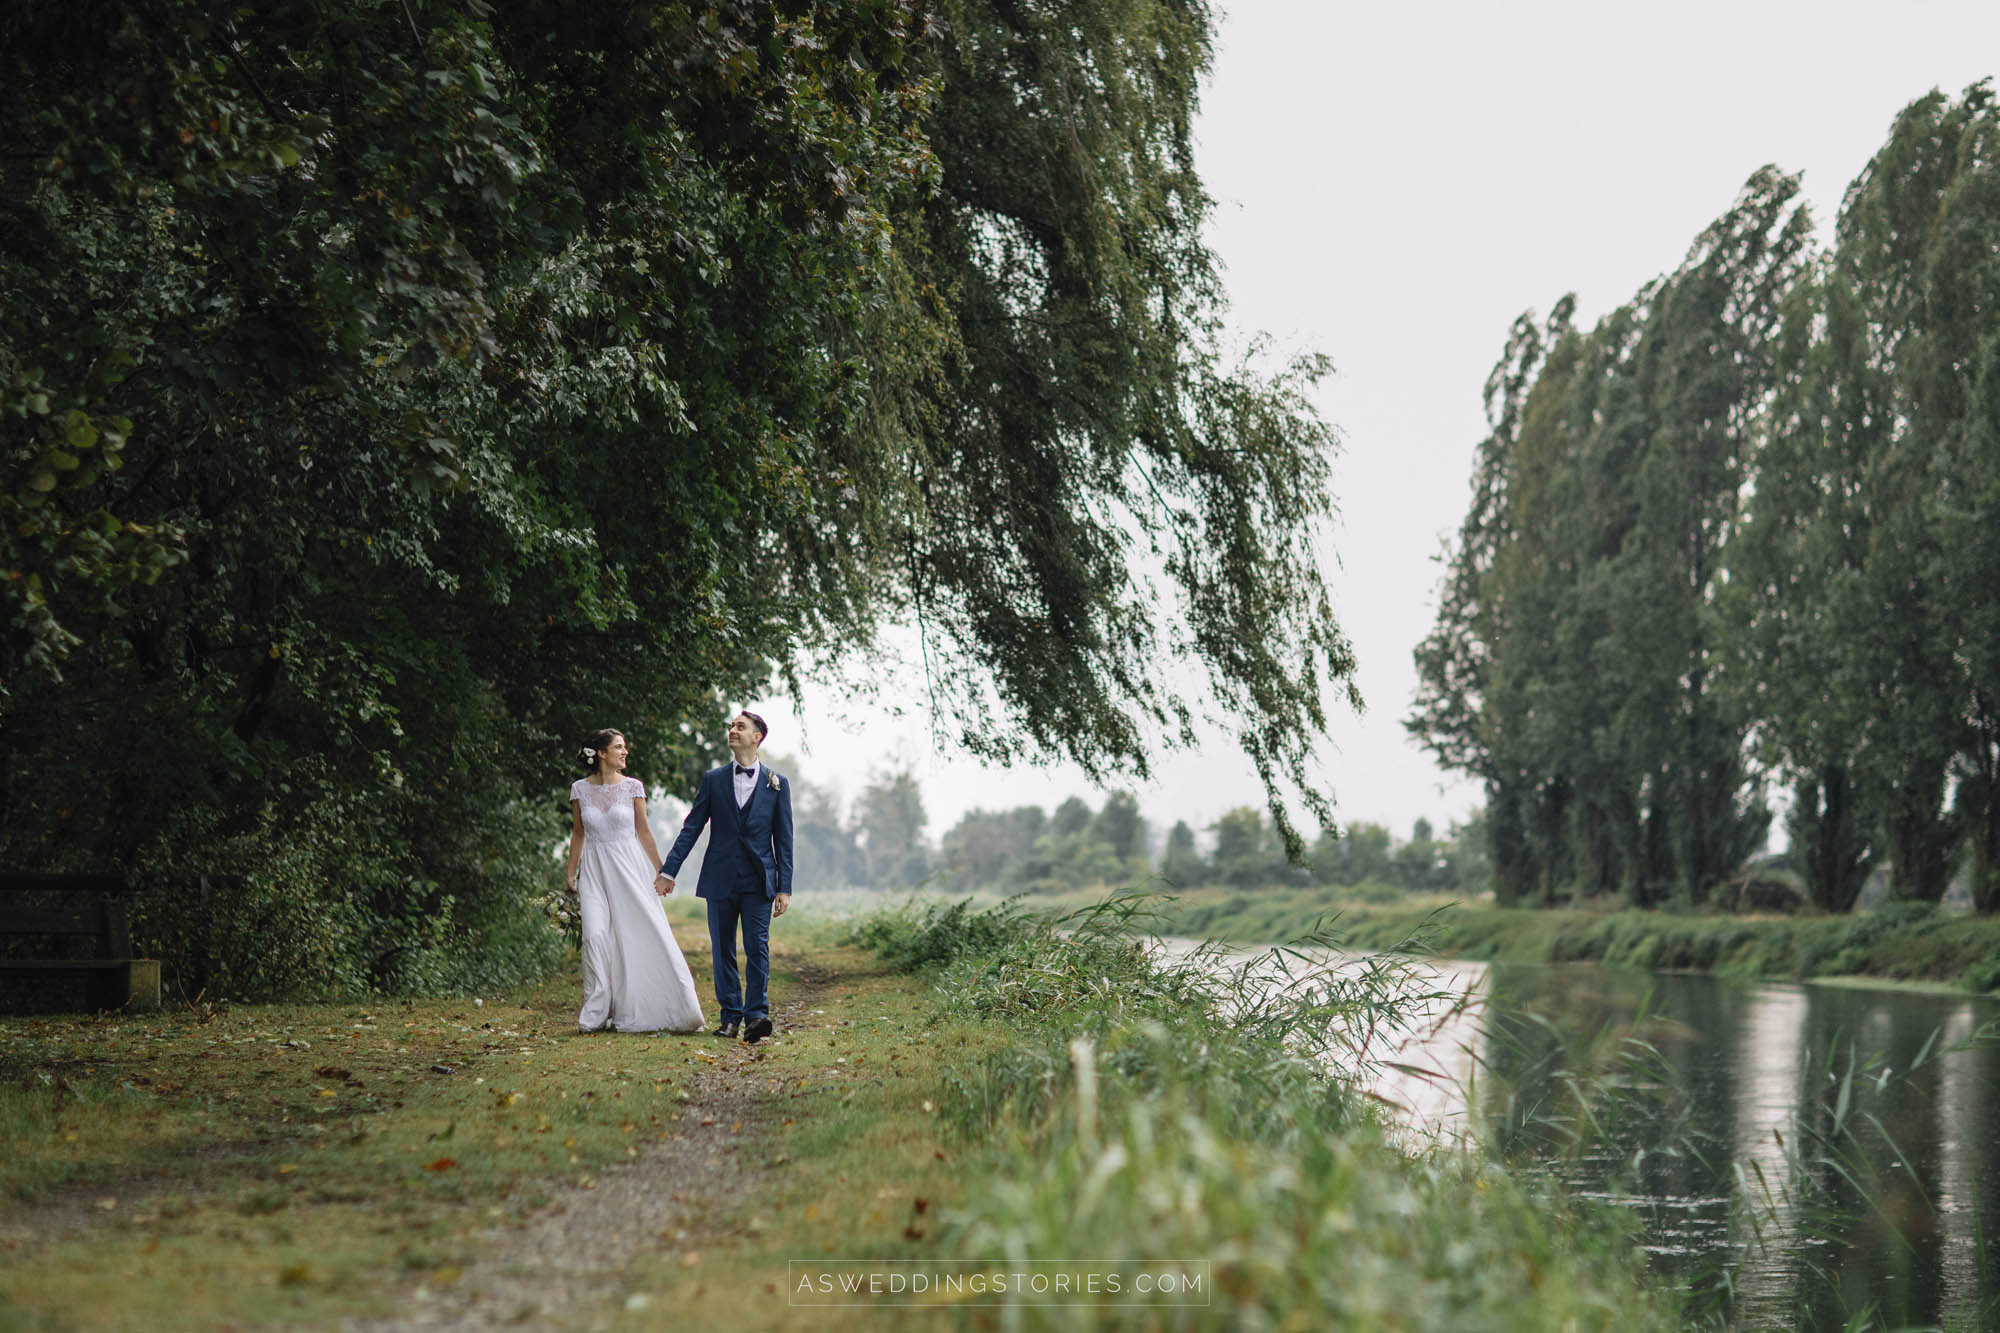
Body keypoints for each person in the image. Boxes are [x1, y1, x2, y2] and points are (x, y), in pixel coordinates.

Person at [655, 710, 793, 1042]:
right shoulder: (713, 779)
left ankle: (757, 1015)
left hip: (760, 879)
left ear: (757, 736)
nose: (732, 730)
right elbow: (691, 828)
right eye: (731, 726)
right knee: (723, 950)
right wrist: (668, 870)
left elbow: (784, 838)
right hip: (720, 877)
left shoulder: (777, 784)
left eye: (740, 727)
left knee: (757, 947)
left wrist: (784, 887)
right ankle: (731, 1017)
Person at [564, 729, 705, 1034]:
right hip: (594, 870)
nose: (625, 752)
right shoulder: (579, 790)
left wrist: (662, 871)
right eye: (618, 747)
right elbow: (579, 833)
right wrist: (570, 872)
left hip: (629, 867)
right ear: (601, 753)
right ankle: (596, 1011)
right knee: (594, 936)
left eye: (625, 747)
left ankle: (673, 1005)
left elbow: (644, 831)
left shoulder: (633, 788)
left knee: (644, 931)